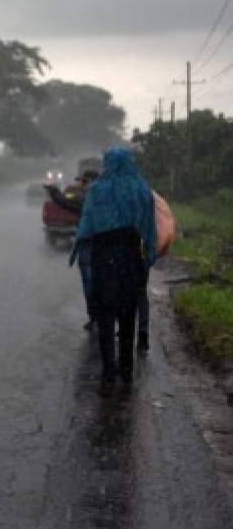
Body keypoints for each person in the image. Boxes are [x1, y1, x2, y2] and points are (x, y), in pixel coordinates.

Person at [71, 148, 156, 395]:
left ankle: (108, 375)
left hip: (103, 258)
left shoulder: (97, 190)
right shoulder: (141, 190)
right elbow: (150, 228)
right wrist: (148, 257)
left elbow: (86, 226)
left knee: (106, 318)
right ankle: (127, 372)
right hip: (131, 258)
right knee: (128, 315)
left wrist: (78, 248)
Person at [46, 169, 99, 330]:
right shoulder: (111, 196)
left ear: (89, 182)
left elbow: (65, 202)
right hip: (108, 245)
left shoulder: (88, 197)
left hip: (89, 243)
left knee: (89, 282)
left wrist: (53, 190)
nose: (80, 185)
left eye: (83, 182)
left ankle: (95, 316)